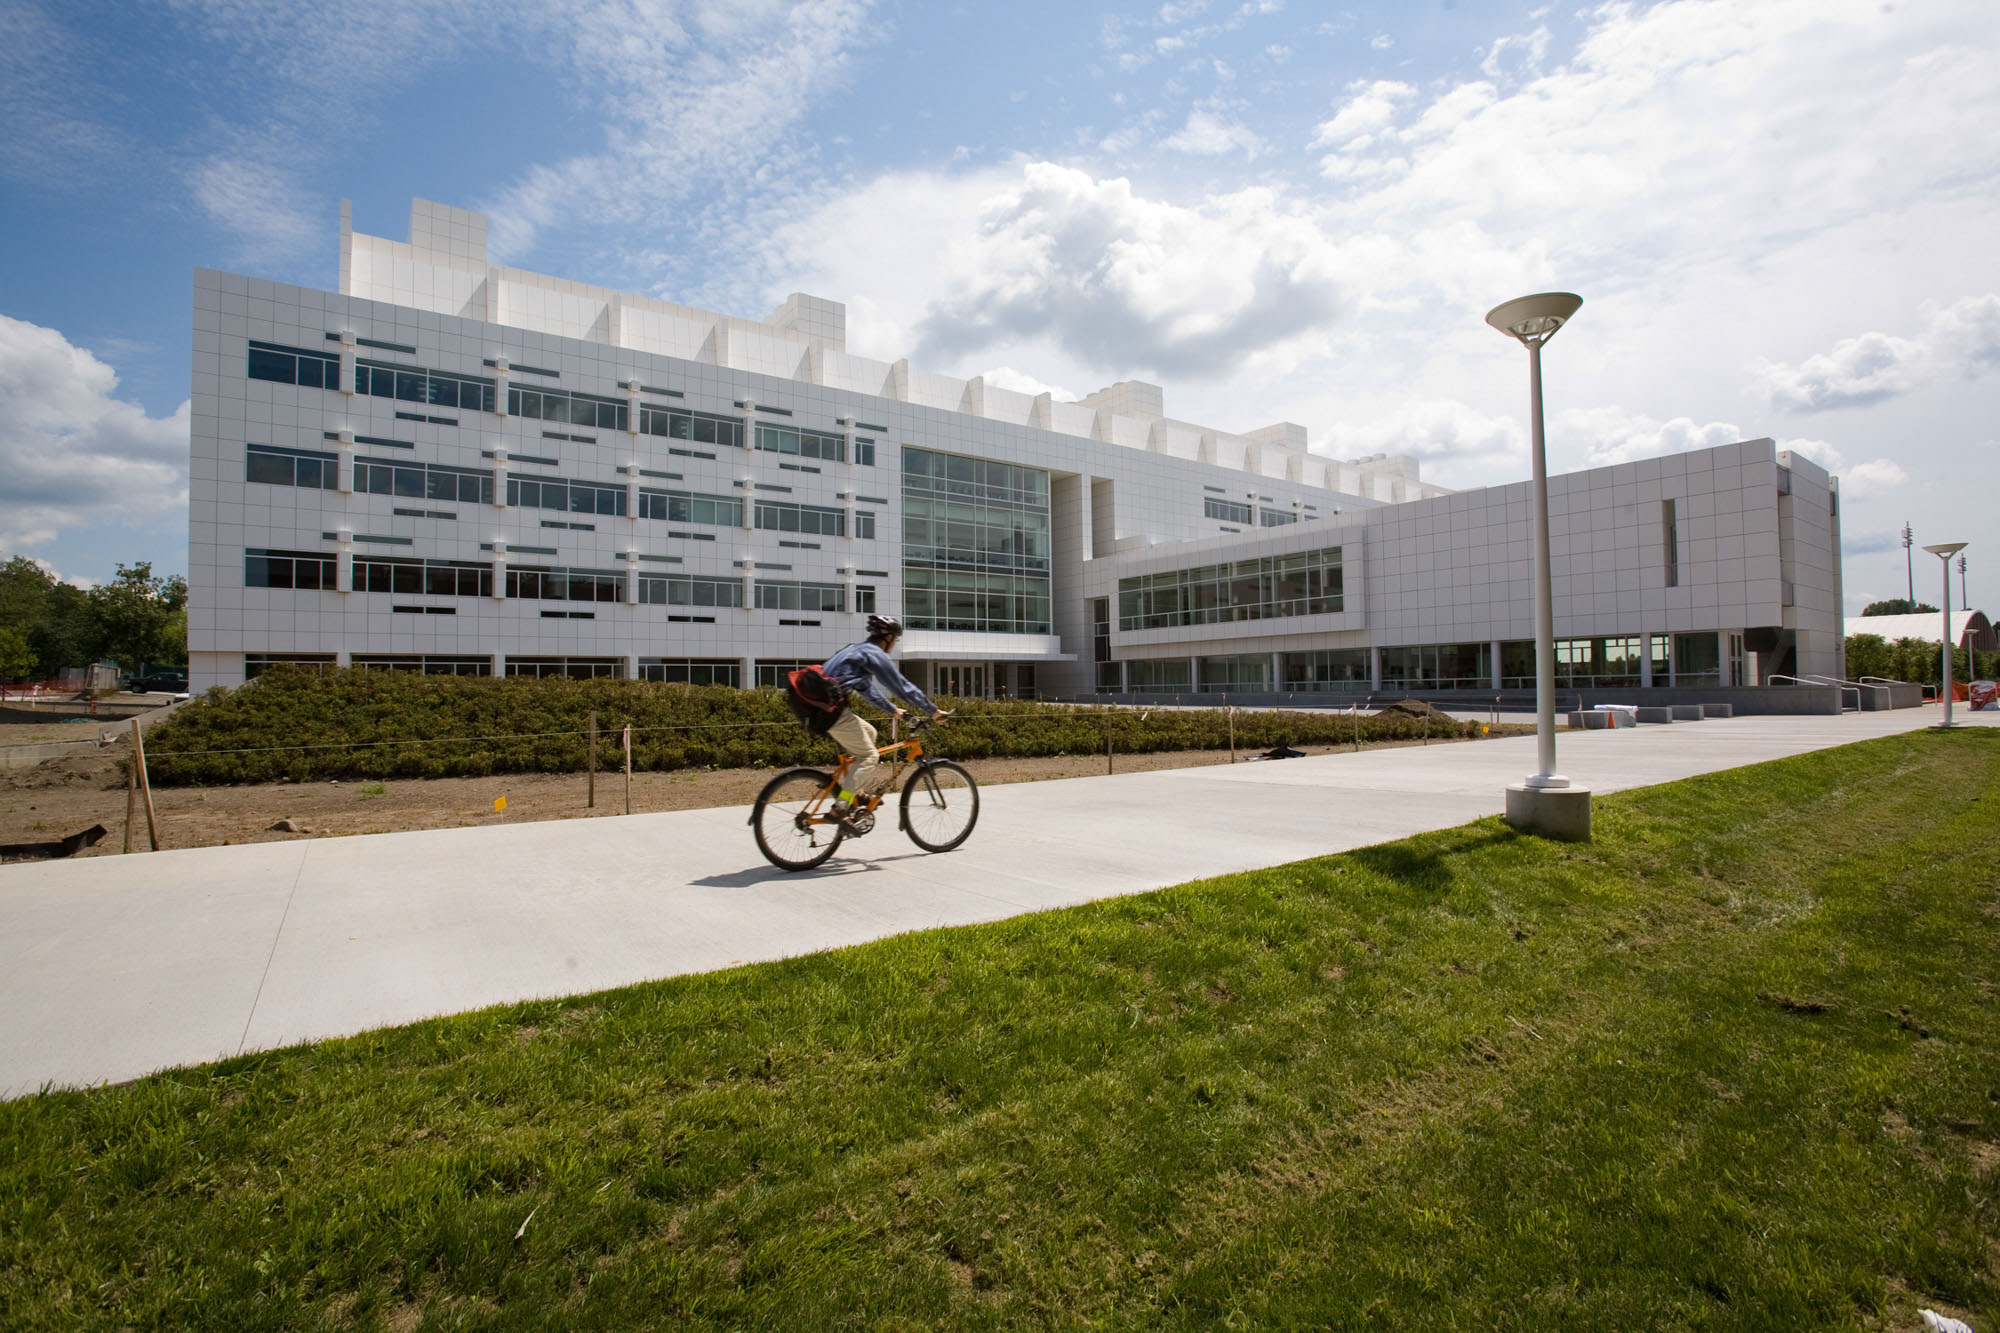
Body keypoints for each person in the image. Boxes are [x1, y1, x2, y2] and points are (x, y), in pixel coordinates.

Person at [809, 615, 945, 820]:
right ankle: (842, 805)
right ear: (888, 638)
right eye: (896, 640)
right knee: (870, 757)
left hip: (818, 707)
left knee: (870, 733)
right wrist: (932, 710)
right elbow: (901, 686)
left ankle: (857, 792)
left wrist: (892, 710)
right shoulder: (874, 653)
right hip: (828, 710)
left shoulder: (856, 650)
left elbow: (866, 689)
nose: (895, 644)